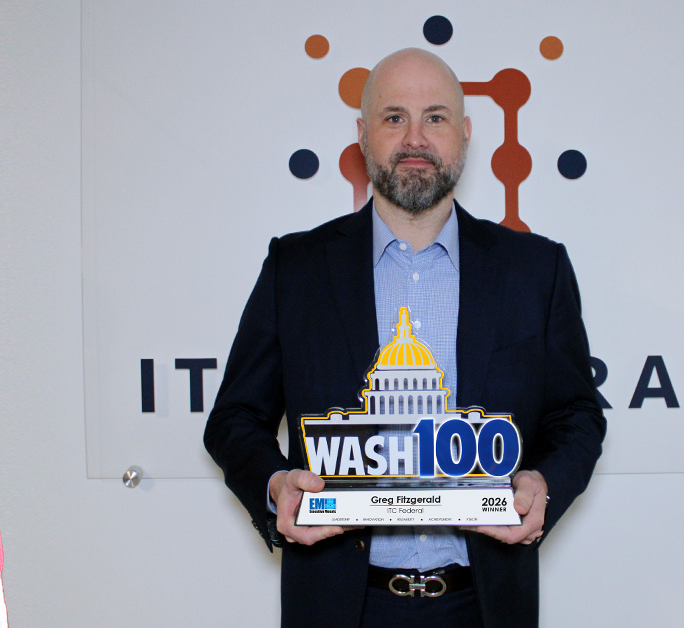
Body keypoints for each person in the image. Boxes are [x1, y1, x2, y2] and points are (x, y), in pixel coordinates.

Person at [204, 48, 605, 628]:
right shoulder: (296, 267)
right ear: (362, 134)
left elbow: (577, 414)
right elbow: (234, 417)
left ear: (465, 135)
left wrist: (543, 483)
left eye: (435, 118)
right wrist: (275, 484)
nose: (415, 138)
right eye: (394, 118)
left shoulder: (535, 269)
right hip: (341, 604)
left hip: (486, 604)